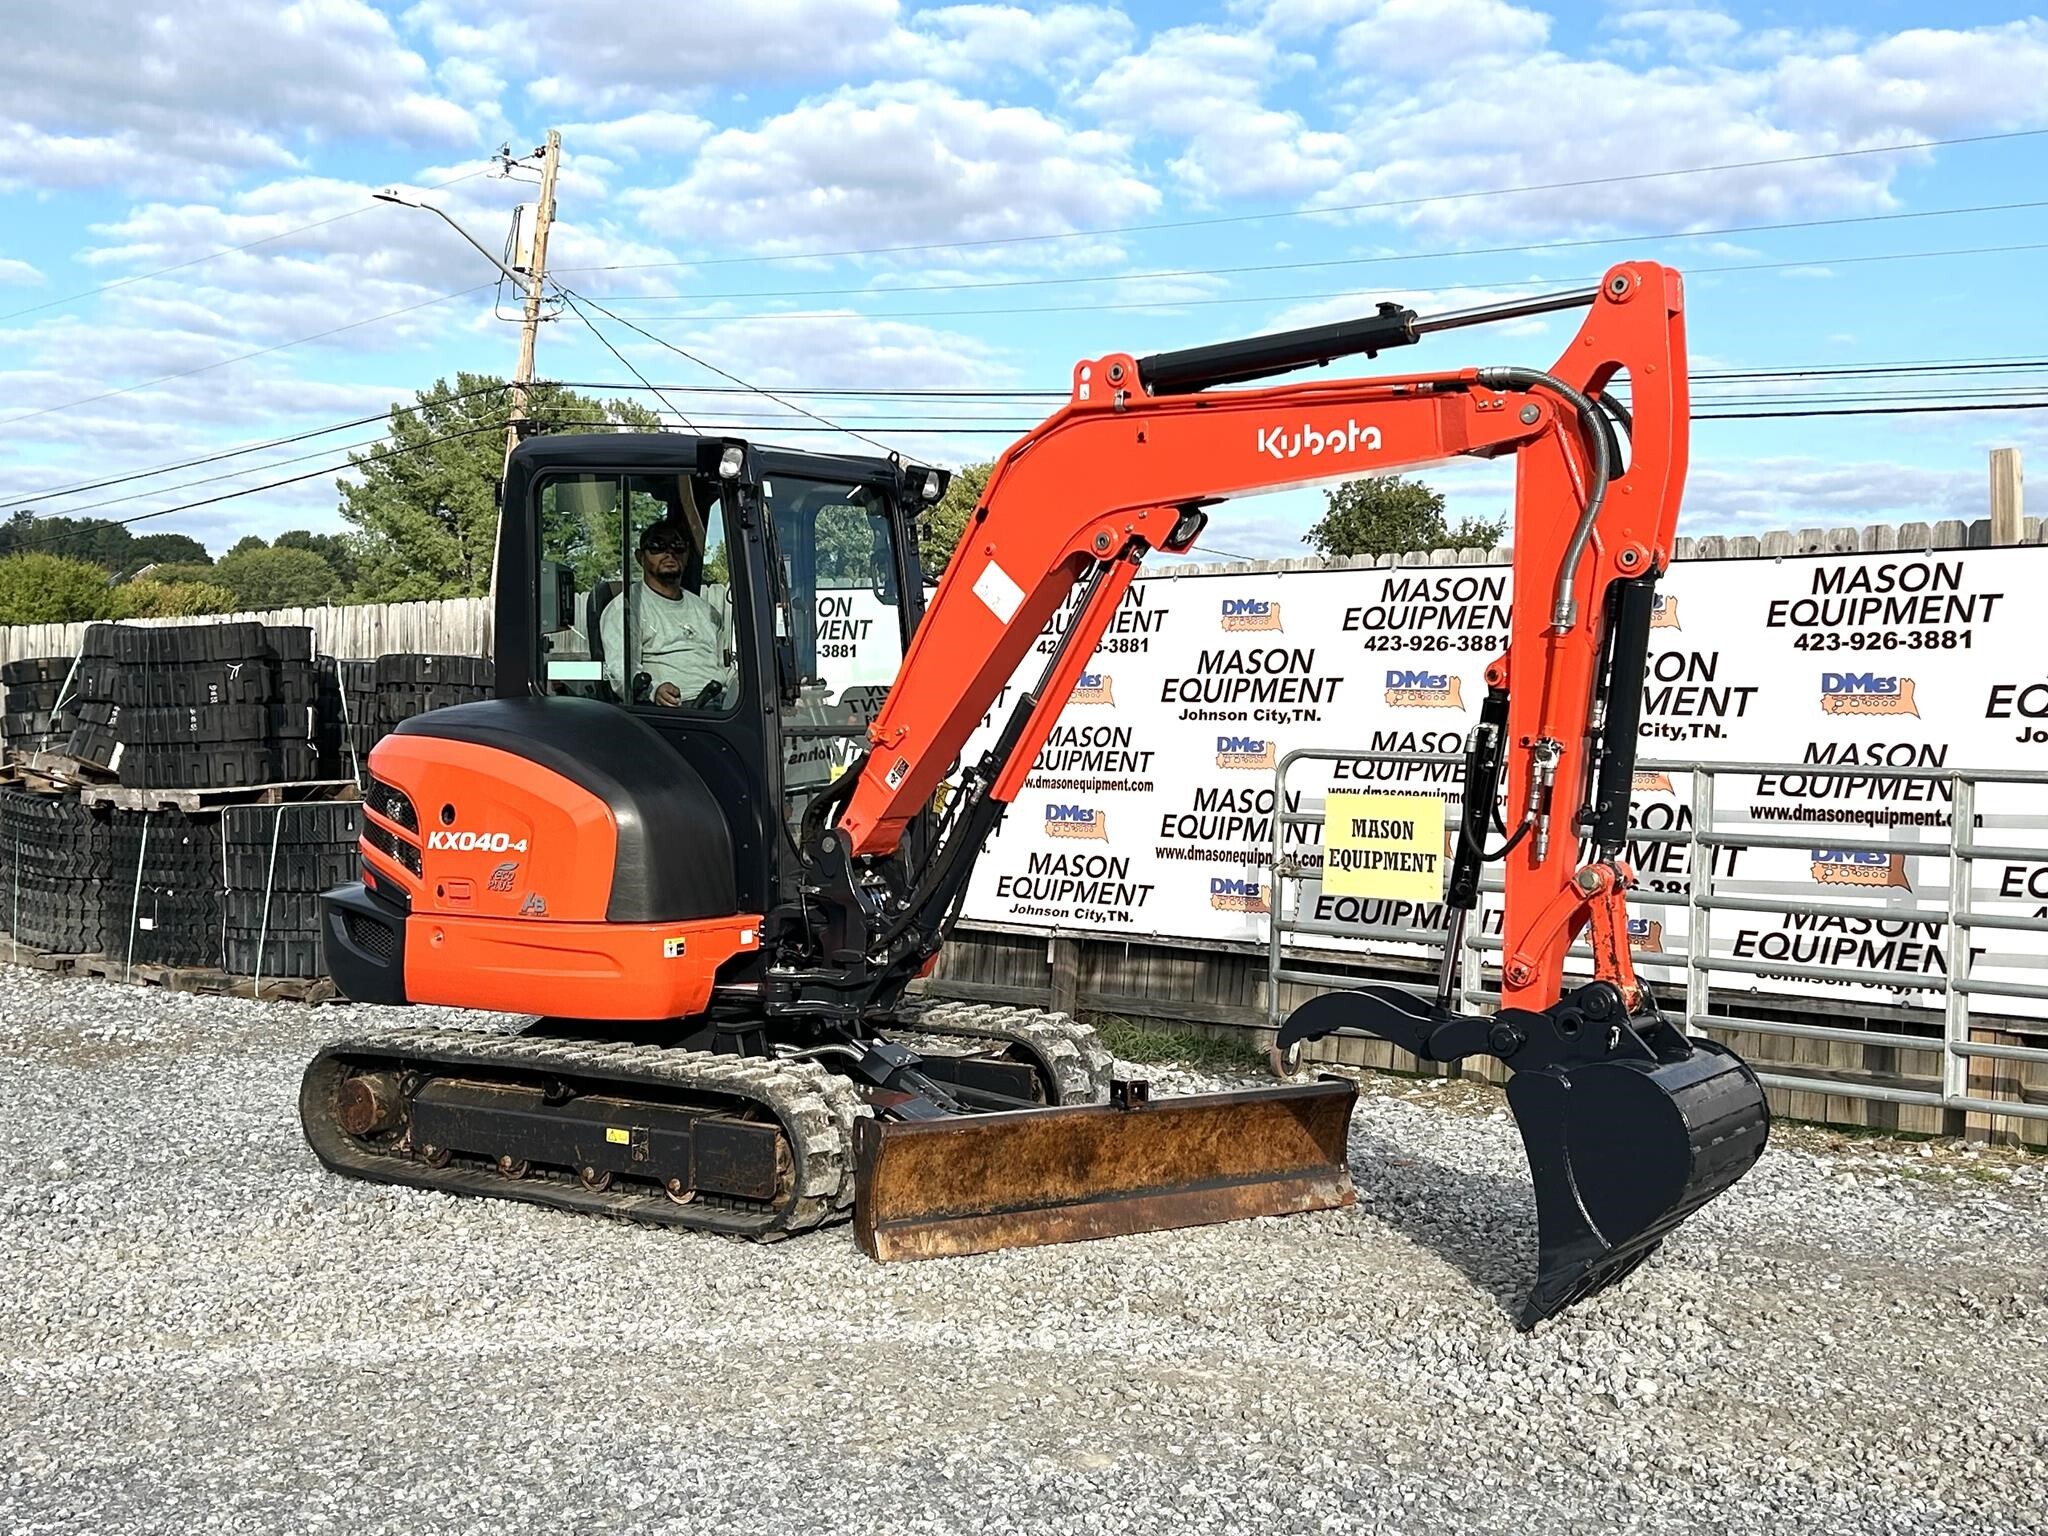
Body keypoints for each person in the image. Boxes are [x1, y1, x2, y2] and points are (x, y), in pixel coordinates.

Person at [600, 518, 733, 707]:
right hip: (672, 712)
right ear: (640, 557)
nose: (669, 552)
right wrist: (655, 691)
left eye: (677, 546)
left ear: (687, 555)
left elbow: (724, 666)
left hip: (723, 705)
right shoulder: (626, 609)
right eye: (657, 546)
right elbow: (621, 669)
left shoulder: (706, 611)